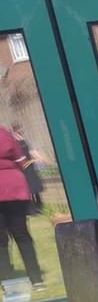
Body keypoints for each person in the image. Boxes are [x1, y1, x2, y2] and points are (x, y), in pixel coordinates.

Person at [0, 125, 45, 291]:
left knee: (0, 241)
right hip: (14, 188)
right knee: (22, 235)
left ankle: (7, 282)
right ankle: (36, 280)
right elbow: (23, 161)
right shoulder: (4, 133)